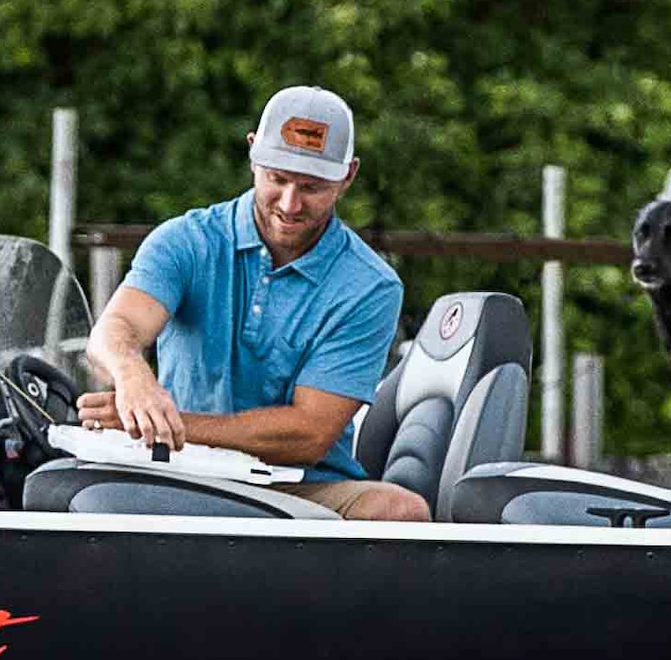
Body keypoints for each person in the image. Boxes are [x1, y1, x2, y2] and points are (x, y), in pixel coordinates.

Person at [82, 85, 426, 521]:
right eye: (277, 179)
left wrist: (171, 425)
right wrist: (133, 378)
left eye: (311, 187)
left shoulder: (371, 287)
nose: (289, 203)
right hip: (174, 474)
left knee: (399, 509)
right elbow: (115, 329)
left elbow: (309, 433)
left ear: (348, 176)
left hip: (297, 490)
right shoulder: (185, 239)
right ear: (252, 155)